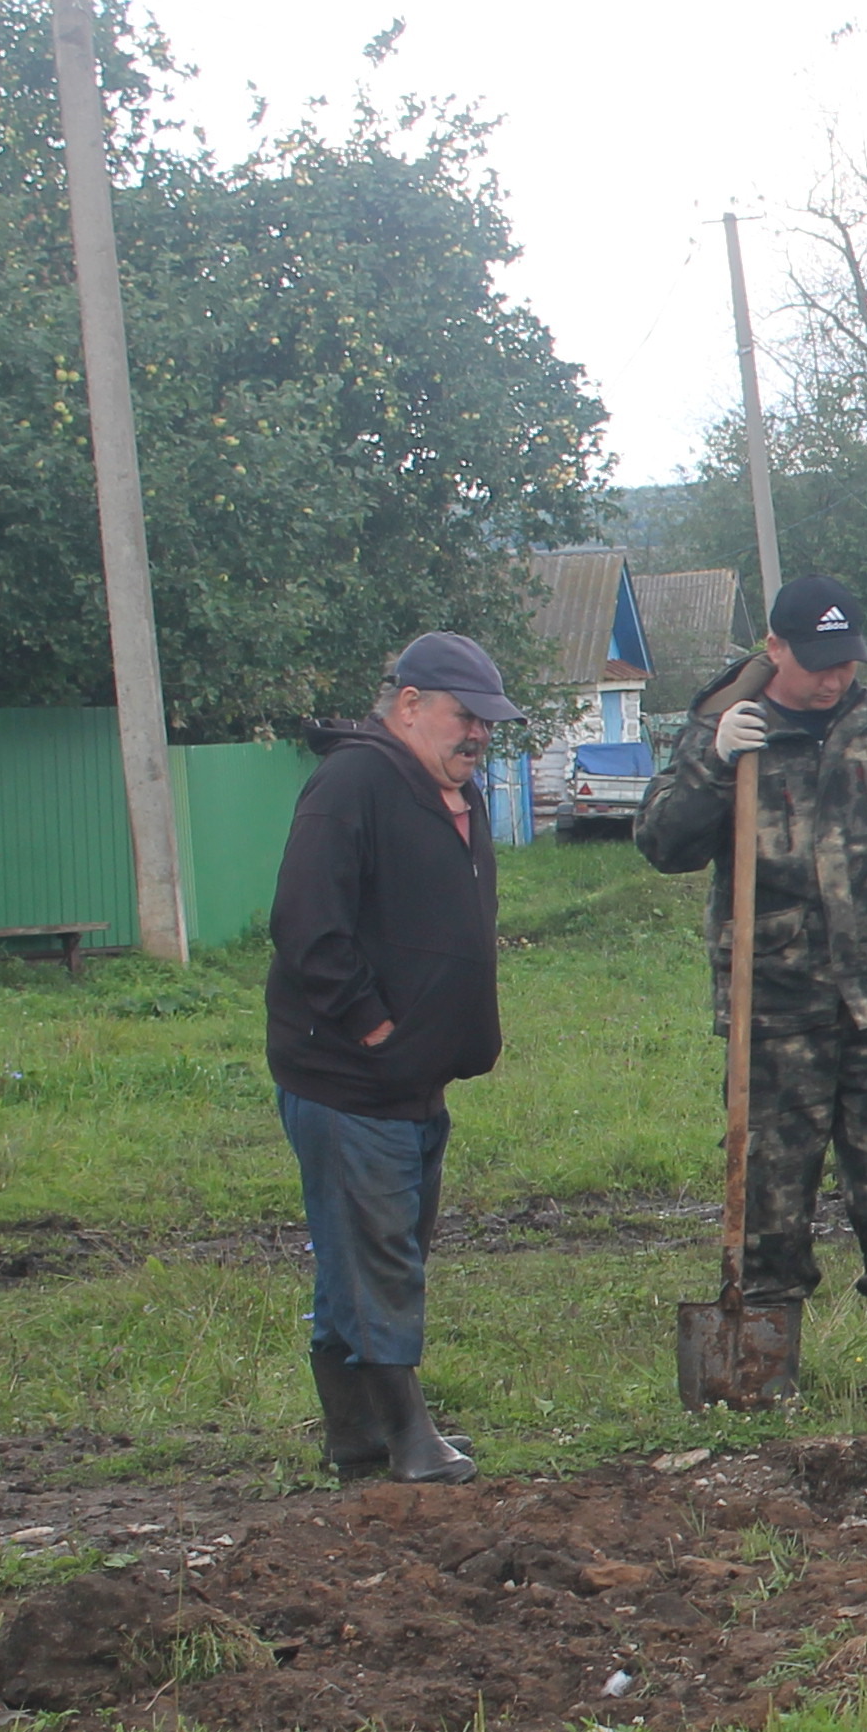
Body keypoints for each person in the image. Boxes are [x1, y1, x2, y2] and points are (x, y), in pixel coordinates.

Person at [635, 573, 867, 1409]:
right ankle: (762, 1380)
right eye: (818, 662)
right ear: (776, 649)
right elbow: (662, 843)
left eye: (847, 661)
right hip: (774, 1006)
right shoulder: (724, 732)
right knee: (769, 1199)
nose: (834, 679)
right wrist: (716, 766)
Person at [265, 629, 524, 1483]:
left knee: (373, 1250)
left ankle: (355, 1437)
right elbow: (309, 926)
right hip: (351, 1078)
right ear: (409, 705)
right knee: (378, 1256)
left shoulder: (454, 790)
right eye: (467, 716)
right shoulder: (353, 783)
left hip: (415, 1079)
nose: (480, 734)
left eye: (490, 721)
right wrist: (375, 1027)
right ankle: (410, 1439)